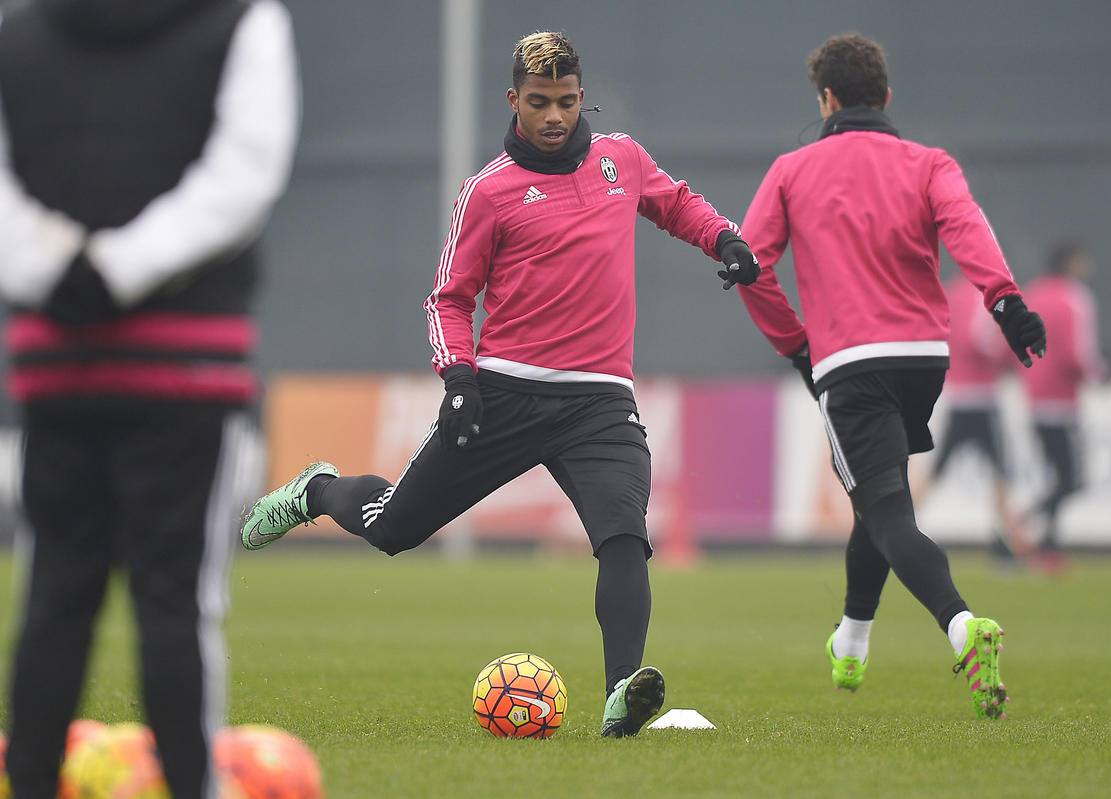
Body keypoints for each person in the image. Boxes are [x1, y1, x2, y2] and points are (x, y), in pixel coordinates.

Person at [239, 30, 760, 738]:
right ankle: (318, 491)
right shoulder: (487, 192)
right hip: (504, 394)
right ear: (514, 100)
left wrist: (725, 238)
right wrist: (459, 378)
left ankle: (621, 696)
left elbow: (677, 204)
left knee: (623, 536)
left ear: (582, 98)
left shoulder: (623, 160)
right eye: (539, 102)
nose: (555, 116)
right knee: (392, 529)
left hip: (600, 400)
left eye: (567, 102)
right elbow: (448, 299)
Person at [0, 0, 299, 796]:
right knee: (176, 602)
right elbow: (243, 177)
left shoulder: (18, 33)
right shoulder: (243, 21)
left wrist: (55, 267)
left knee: (53, 596)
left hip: (57, 358)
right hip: (187, 363)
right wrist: (124, 266)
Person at [734, 33, 1046, 719]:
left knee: (887, 512)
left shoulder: (791, 169)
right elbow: (967, 228)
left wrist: (796, 346)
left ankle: (962, 626)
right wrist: (1005, 302)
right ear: (886, 97)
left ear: (826, 99)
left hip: (851, 363)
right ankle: (851, 640)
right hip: (923, 360)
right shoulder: (929, 162)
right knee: (876, 501)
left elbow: (750, 264)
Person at [911, 274, 1031, 566]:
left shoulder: (951, 293)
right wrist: (1007, 351)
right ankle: (1005, 543)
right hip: (982, 398)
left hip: (958, 395)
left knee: (937, 470)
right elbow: (978, 338)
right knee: (1001, 473)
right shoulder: (982, 297)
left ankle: (896, 527)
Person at [1020, 241, 1106, 573]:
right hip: (1062, 403)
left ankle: (1048, 546)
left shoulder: (1032, 294)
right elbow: (1077, 354)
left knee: (1058, 477)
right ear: (1071, 263)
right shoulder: (1074, 298)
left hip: (1034, 399)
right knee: (1071, 479)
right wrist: (1100, 374)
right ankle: (1024, 521)